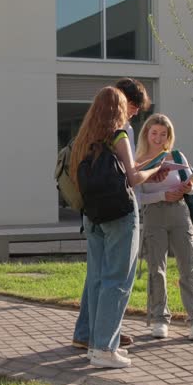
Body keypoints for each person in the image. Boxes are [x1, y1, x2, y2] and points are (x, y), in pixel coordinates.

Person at [69, 86, 163, 368]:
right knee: (118, 280)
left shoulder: (85, 138)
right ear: (118, 109)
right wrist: (155, 170)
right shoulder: (119, 135)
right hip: (120, 214)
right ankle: (104, 349)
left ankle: (95, 344)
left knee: (98, 280)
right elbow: (132, 177)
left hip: (93, 216)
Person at [134, 113, 193, 341]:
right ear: (146, 134)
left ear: (168, 136)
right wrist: (163, 194)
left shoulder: (176, 156)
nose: (158, 138)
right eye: (154, 133)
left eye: (163, 134)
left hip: (180, 213)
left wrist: (187, 188)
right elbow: (137, 198)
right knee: (156, 269)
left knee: (189, 267)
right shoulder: (138, 161)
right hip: (154, 215)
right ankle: (160, 319)